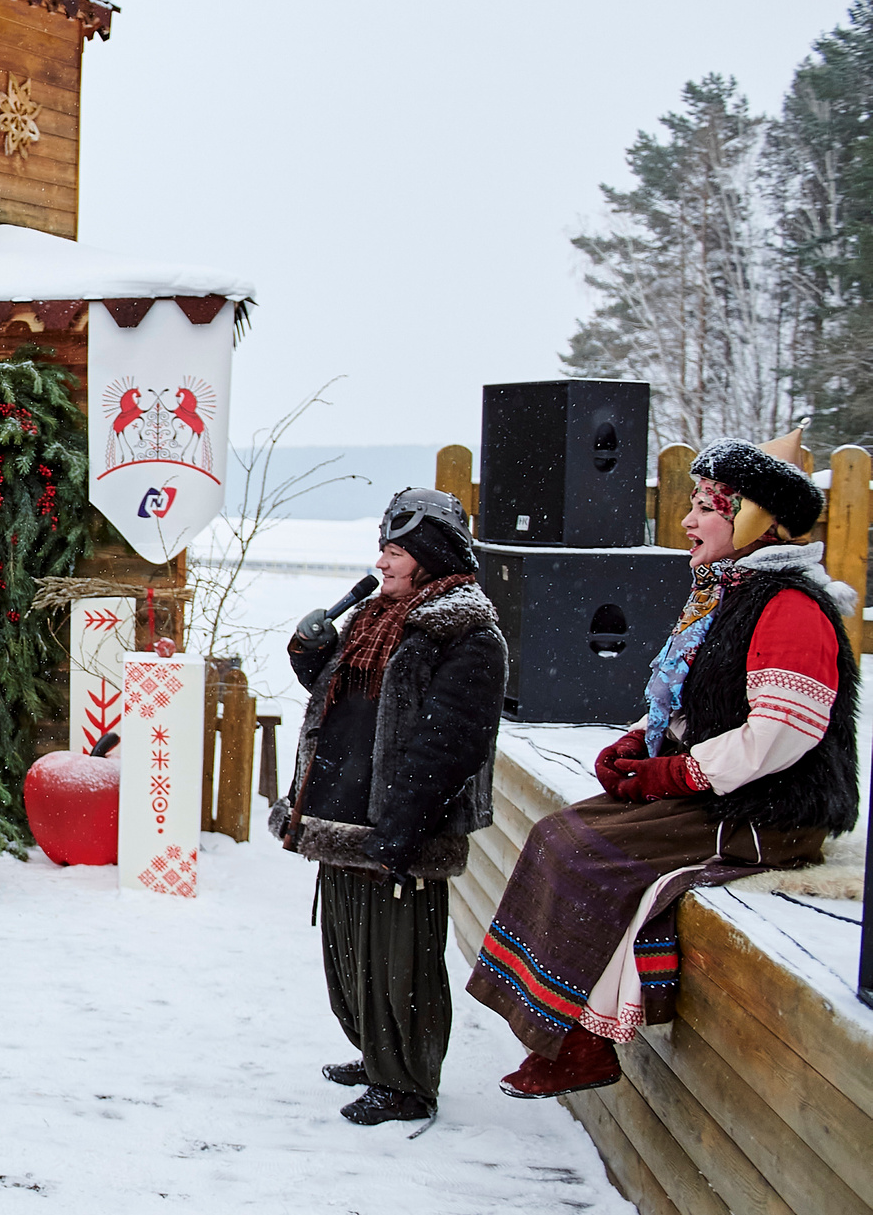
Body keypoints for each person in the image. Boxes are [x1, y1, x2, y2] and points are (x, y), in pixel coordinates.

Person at [470, 434, 860, 1098]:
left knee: (591, 853)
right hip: (721, 789)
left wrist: (674, 774)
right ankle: (558, 1023)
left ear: (754, 520)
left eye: (708, 505)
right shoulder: (727, 598)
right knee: (557, 832)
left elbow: (778, 735)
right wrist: (639, 744)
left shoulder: (790, 609)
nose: (688, 520)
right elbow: (695, 699)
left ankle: (584, 1042)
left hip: (771, 810)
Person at [270, 489, 505, 1125]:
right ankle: (377, 1055)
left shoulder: (465, 632)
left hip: (400, 820)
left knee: (397, 959)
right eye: (382, 547)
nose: (383, 560)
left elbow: (451, 741)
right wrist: (311, 652)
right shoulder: (377, 615)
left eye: (396, 550)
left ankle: (407, 1081)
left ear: (429, 558)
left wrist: (403, 826)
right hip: (346, 814)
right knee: (350, 951)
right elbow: (343, 701)